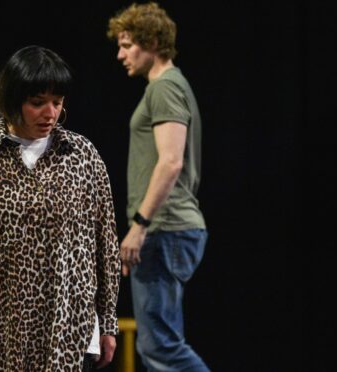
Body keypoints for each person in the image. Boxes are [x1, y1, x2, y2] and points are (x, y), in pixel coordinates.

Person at [0, 45, 120, 371]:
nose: (50, 113)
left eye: (57, 103)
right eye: (37, 103)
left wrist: (108, 322)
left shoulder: (82, 155)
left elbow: (105, 244)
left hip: (69, 331)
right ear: (11, 99)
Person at [107, 3, 210, 371]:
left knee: (161, 349)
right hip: (170, 229)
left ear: (151, 41)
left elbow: (171, 161)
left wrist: (139, 225)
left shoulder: (164, 87)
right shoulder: (168, 86)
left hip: (165, 228)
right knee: (158, 348)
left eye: (126, 44)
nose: (120, 55)